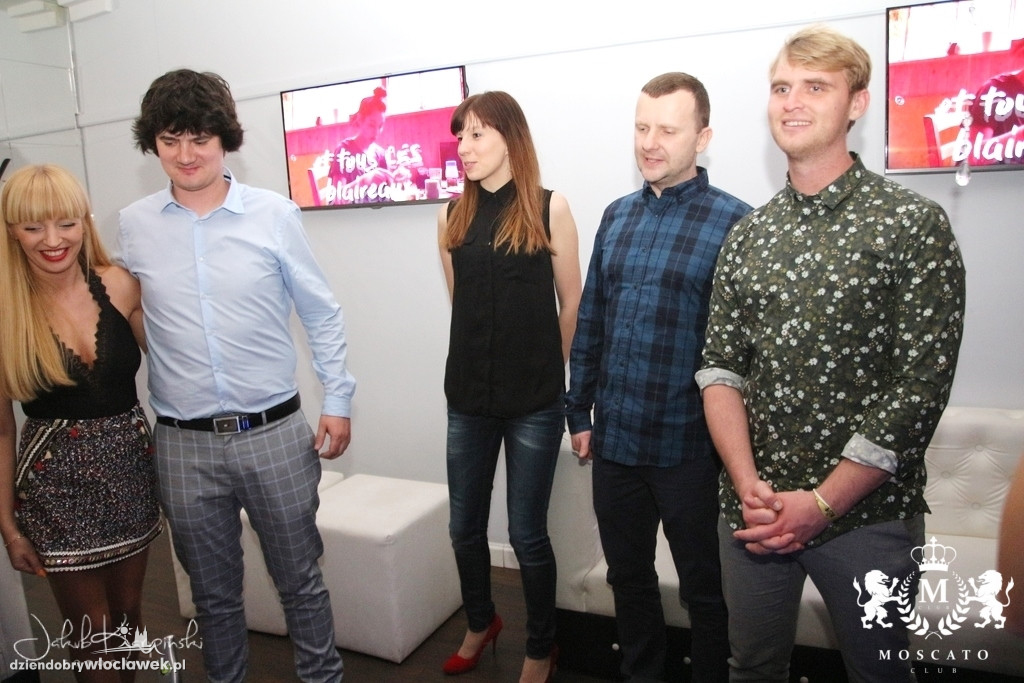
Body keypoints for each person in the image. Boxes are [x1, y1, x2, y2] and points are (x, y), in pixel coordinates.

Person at [697, 25, 966, 683]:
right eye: (781, 87)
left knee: (879, 674)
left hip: (867, 516)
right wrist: (745, 482)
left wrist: (821, 502)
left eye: (815, 87)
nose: (792, 101)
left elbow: (919, 386)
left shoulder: (911, 224)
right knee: (751, 667)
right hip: (755, 513)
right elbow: (720, 369)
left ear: (857, 103)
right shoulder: (748, 234)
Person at [119, 69, 356, 683]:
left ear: (224, 138)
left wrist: (338, 398)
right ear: (153, 144)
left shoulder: (273, 214)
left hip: (273, 433)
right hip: (182, 444)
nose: (186, 155)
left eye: (199, 138)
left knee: (300, 581)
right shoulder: (134, 225)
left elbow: (320, 311)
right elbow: (130, 314)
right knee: (212, 596)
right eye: (170, 140)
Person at [566, 72, 751, 683]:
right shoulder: (616, 216)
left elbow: (746, 353)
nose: (650, 142)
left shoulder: (737, 223)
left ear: (703, 138)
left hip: (690, 450)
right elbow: (592, 318)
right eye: (642, 127)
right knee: (628, 578)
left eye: (668, 130)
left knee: (704, 587)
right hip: (616, 443)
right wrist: (579, 410)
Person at [438, 90, 581, 683]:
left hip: (534, 404)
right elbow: (462, 304)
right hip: (469, 398)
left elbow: (571, 302)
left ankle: (541, 647)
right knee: (463, 528)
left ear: (509, 138)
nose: (464, 148)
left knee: (526, 534)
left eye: (477, 134)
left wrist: (550, 369)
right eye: (460, 136)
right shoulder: (450, 215)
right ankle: (481, 622)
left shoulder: (550, 208)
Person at [1, 164, 161, 680]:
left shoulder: (120, 285)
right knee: (91, 629)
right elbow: (1, 429)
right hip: (55, 486)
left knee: (128, 615)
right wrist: (8, 526)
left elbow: (175, 363)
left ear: (84, 222)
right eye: (33, 227)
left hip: (130, 475)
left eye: (66, 223)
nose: (53, 240)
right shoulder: (5, 311)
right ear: (11, 231)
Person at [326, 87, 395, 204]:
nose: (376, 132)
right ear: (360, 120)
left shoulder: (381, 154)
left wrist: (395, 179)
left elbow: (388, 195)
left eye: (380, 126)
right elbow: (337, 200)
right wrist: (364, 181)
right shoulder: (343, 150)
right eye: (371, 125)